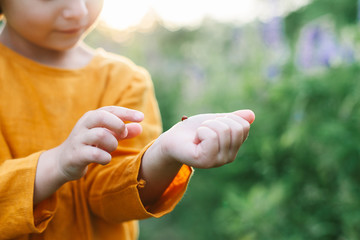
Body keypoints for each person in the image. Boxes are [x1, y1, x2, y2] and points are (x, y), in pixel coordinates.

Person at [0, 0, 255, 239]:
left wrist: (163, 152)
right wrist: (56, 164)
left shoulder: (124, 80)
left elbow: (111, 199)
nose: (79, 11)